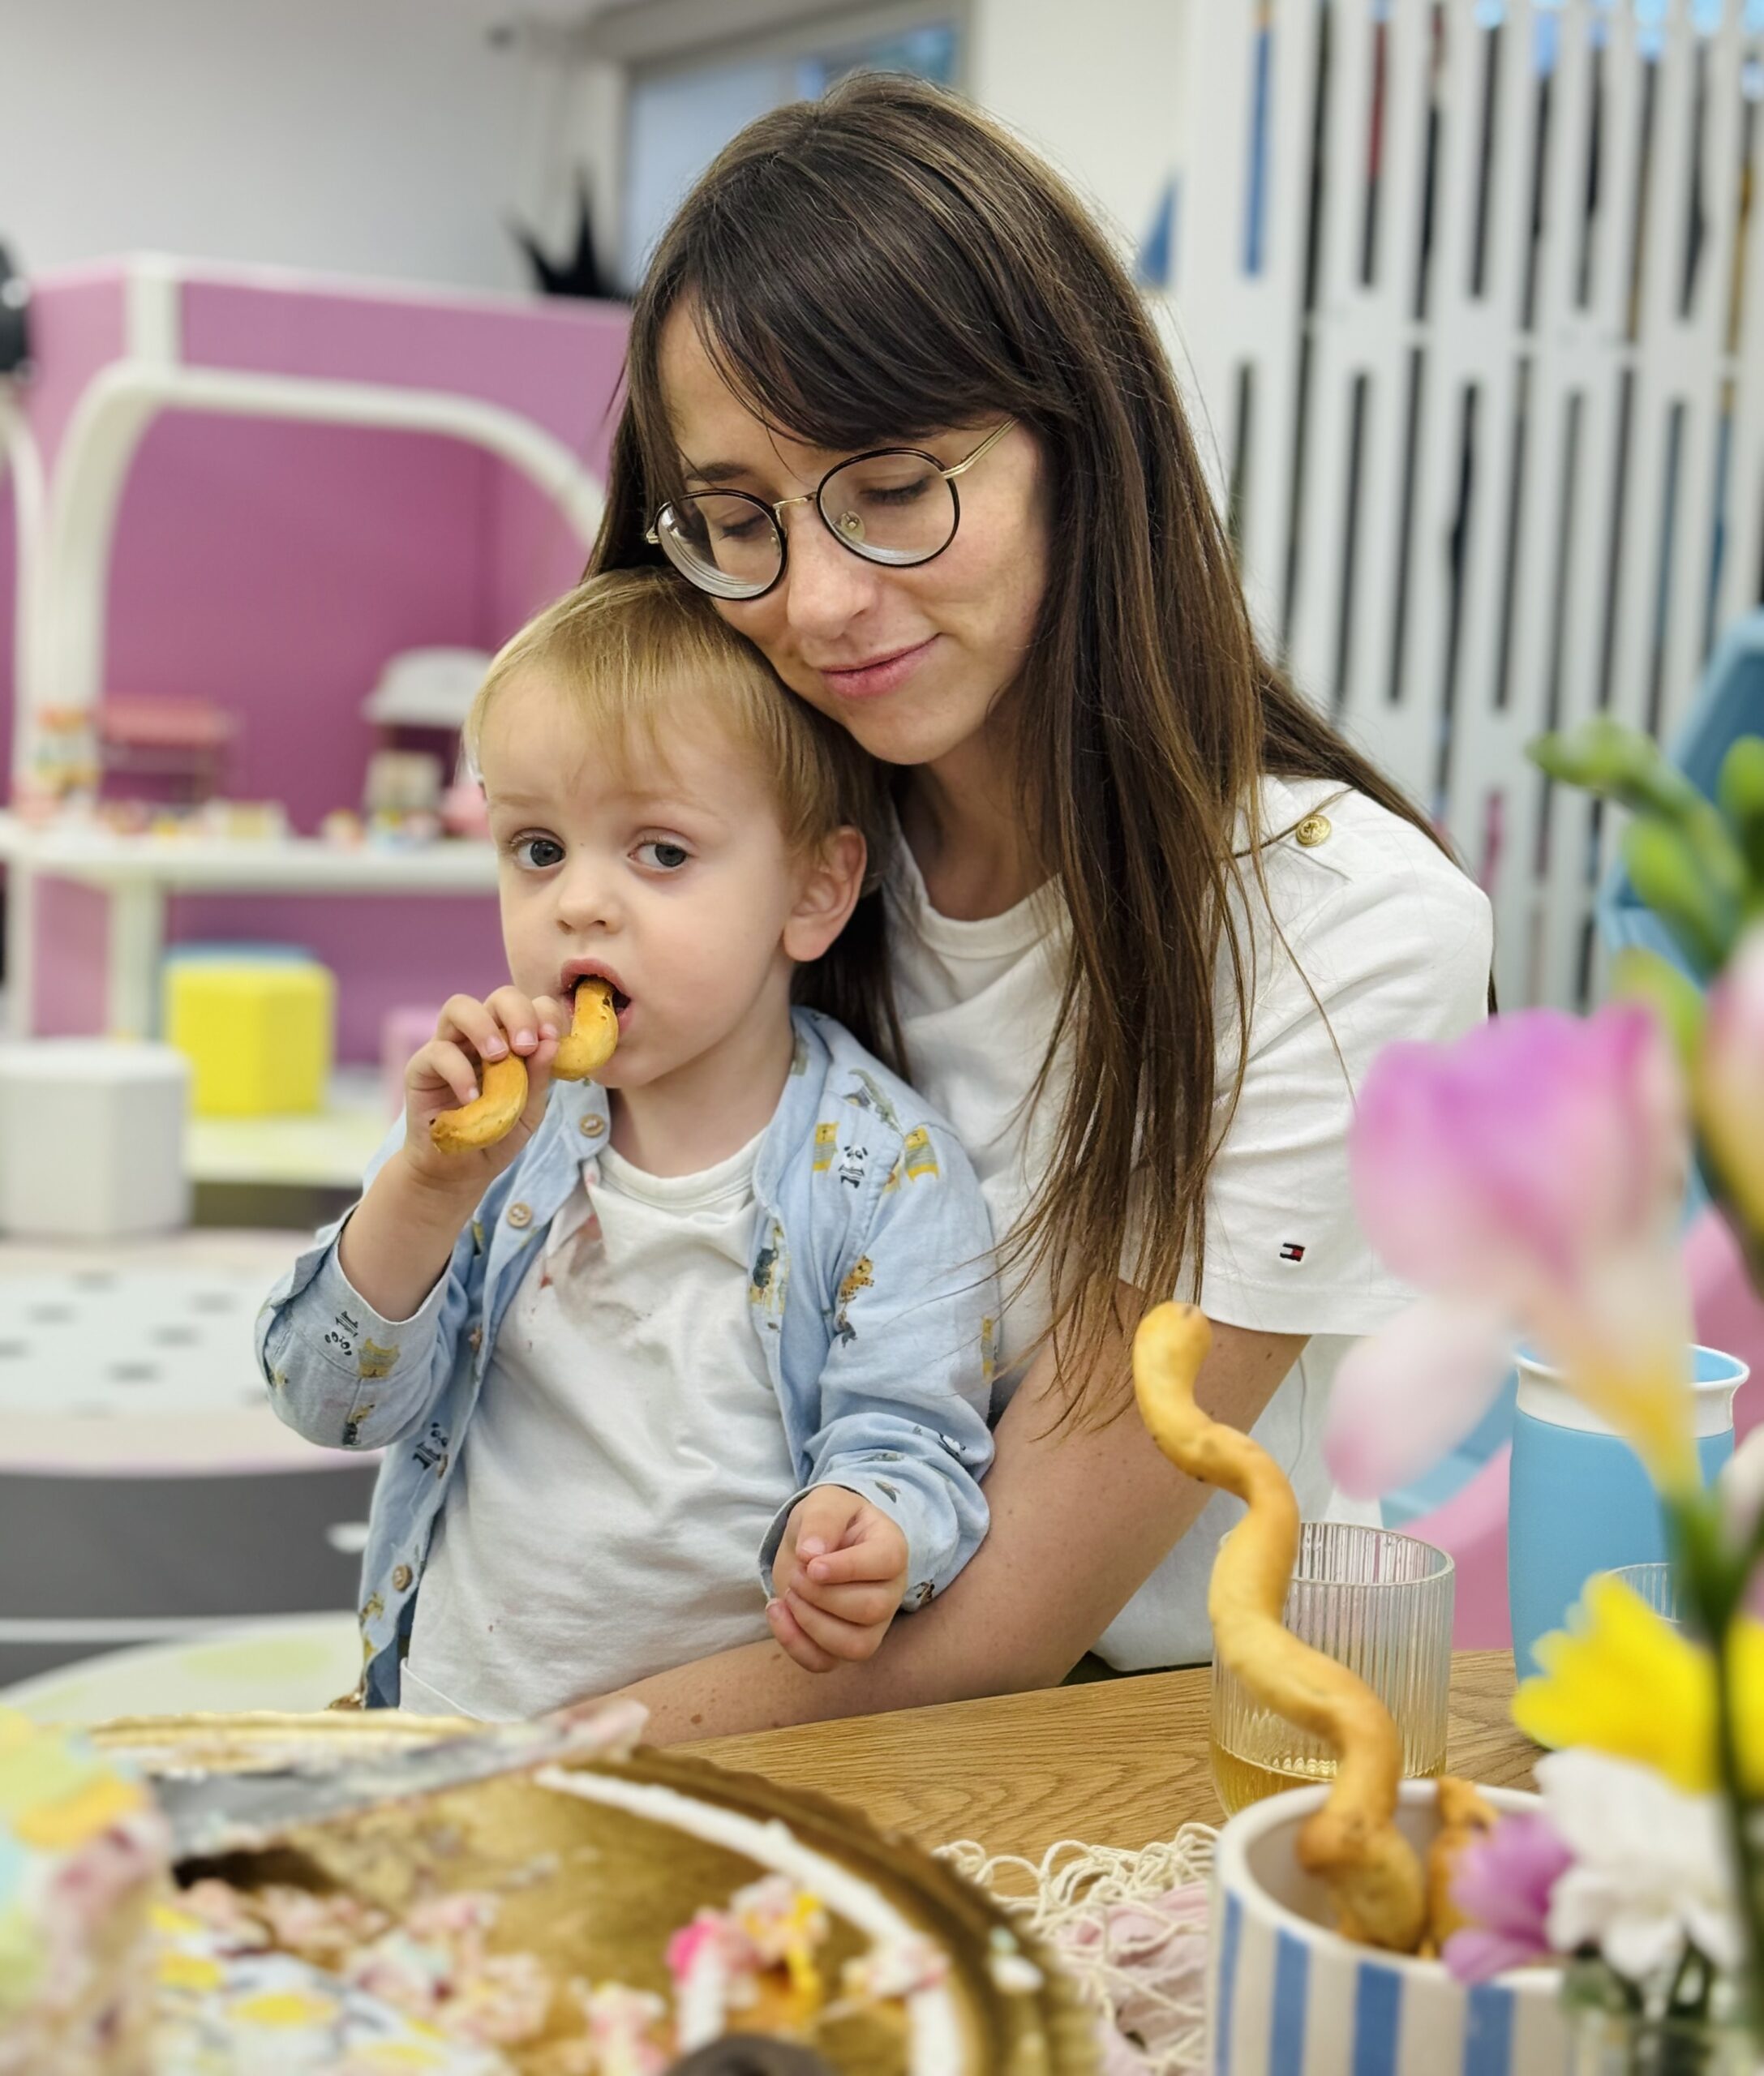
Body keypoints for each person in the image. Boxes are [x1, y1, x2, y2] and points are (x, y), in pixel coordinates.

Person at [585, 72, 1494, 1737]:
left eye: (892, 487)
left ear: (1080, 449)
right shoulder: (765, 852)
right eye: (734, 521)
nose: (818, 601)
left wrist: (501, 1756)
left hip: (1124, 1752)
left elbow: (1006, 1628)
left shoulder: (1336, 921)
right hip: (723, 1680)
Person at [257, 570, 998, 1714]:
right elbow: (327, 1402)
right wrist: (423, 1190)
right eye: (537, 848)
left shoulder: (891, 1172)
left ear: (814, 890)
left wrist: (869, 1527)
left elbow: (915, 1442)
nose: (578, 904)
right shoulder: (490, 1130)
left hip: (713, 1749)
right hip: (451, 1721)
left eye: (660, 853)